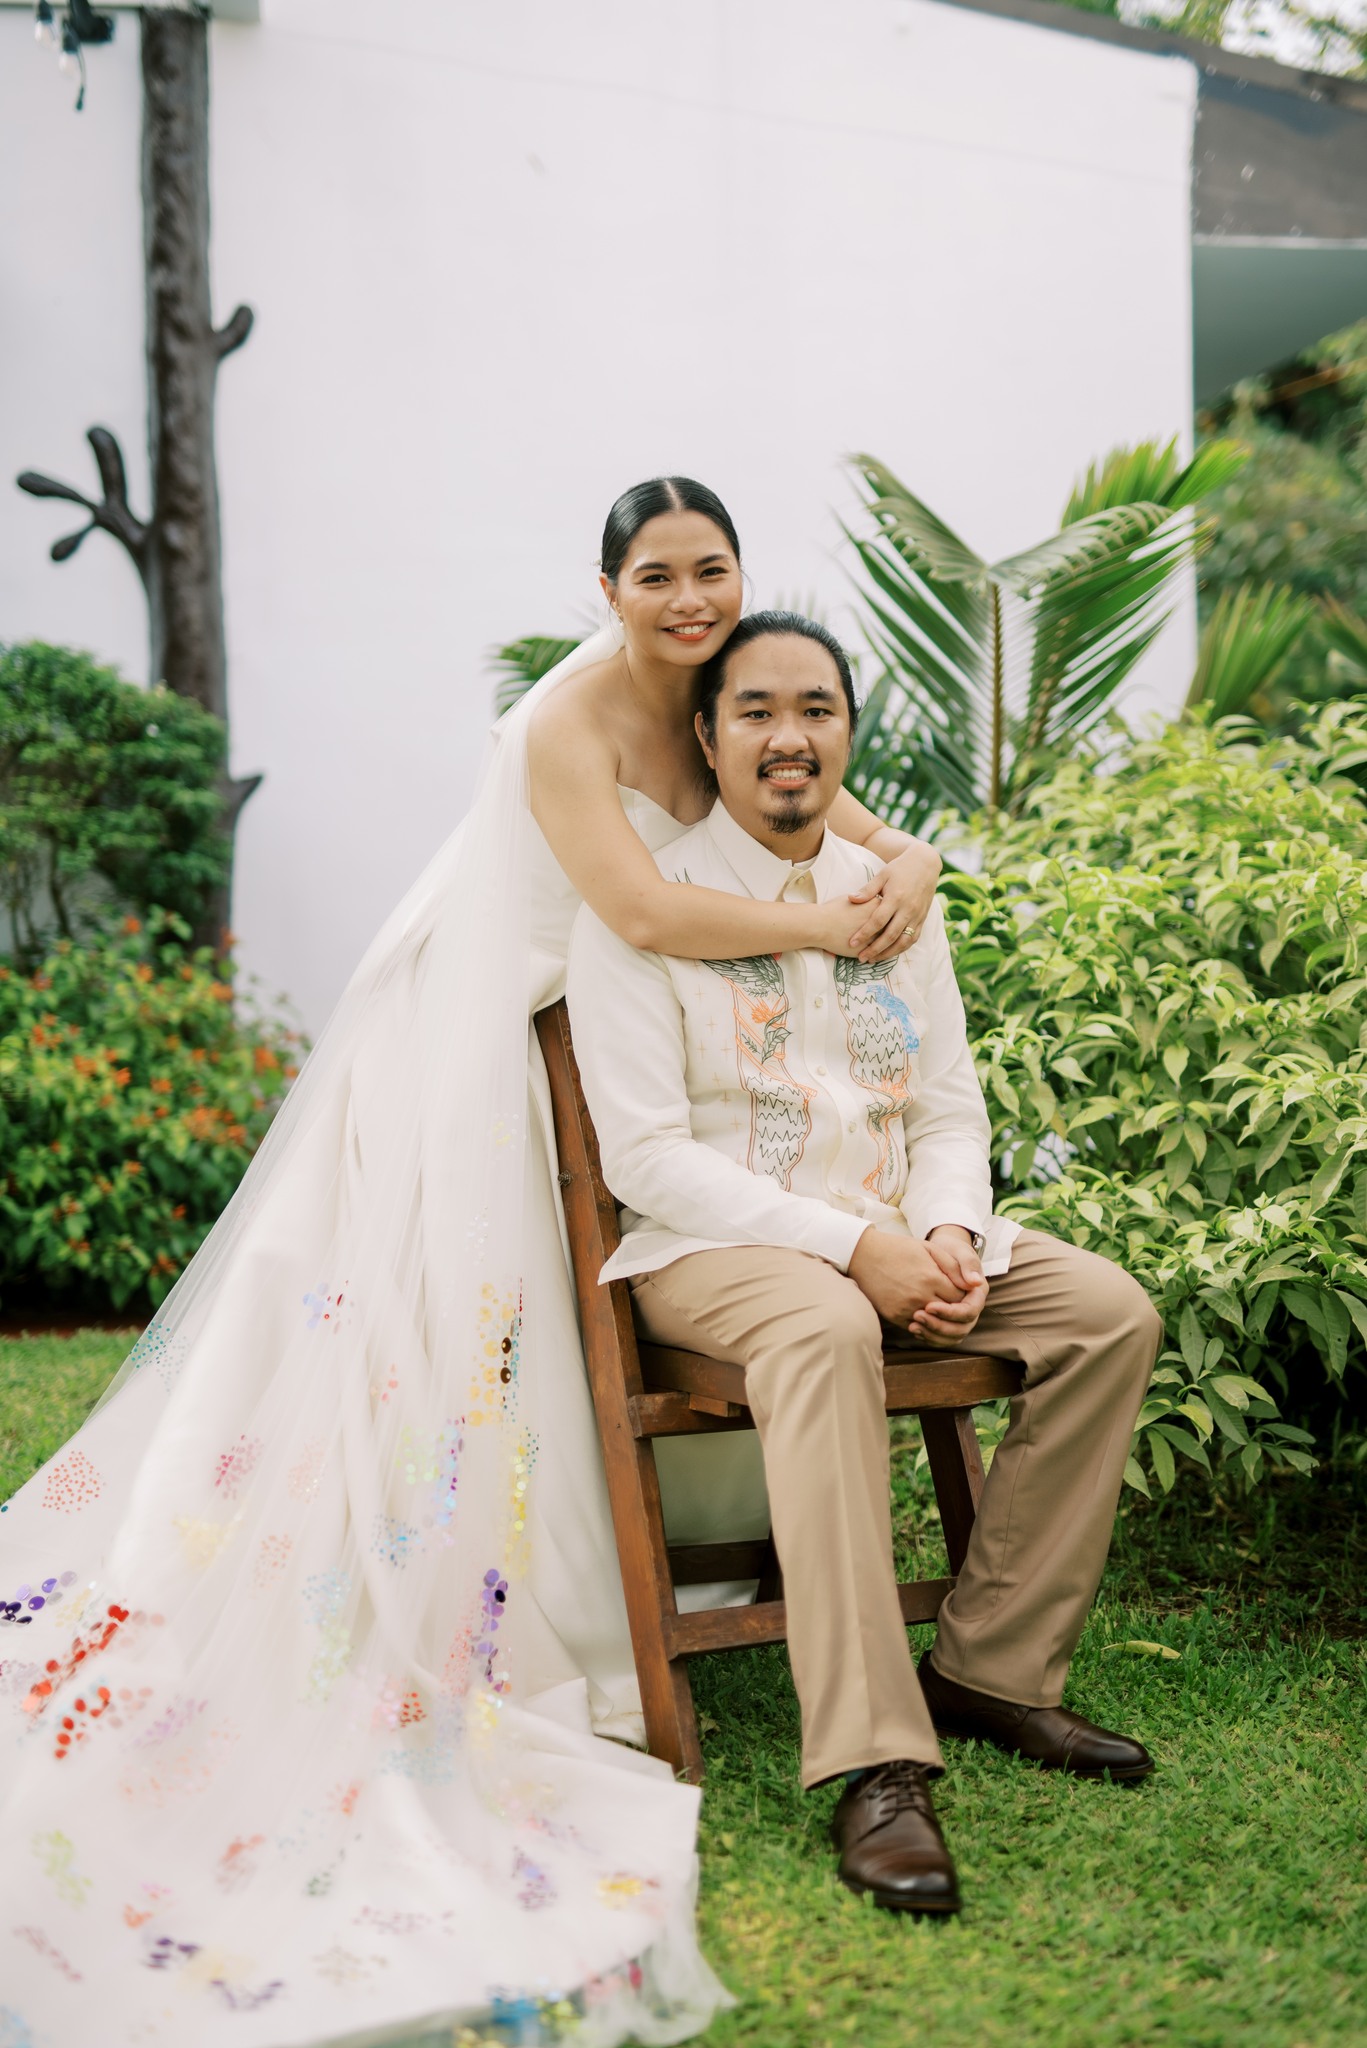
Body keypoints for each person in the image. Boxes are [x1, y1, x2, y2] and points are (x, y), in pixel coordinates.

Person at [0, 485, 942, 2047]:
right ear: (607, 587)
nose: (691, 598)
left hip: (614, 1040)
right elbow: (638, 907)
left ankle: (670, 1562)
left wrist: (909, 861)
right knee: (469, 1333)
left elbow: (836, 815)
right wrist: (841, 937)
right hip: (491, 1039)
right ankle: (498, 1604)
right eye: (658, 574)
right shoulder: (567, 722)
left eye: (713, 570)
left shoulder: (725, 694)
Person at [566, 610, 1163, 1919]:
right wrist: (855, 1250)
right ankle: (876, 1760)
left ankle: (990, 1669)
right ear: (707, 738)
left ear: (848, 733)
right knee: (827, 1325)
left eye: (817, 709)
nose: (789, 737)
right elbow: (646, 1160)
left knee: (1109, 1314)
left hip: (897, 1228)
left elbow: (948, 1109)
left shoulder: (892, 897)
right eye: (757, 712)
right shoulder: (641, 907)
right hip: (719, 1247)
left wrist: (945, 1234)